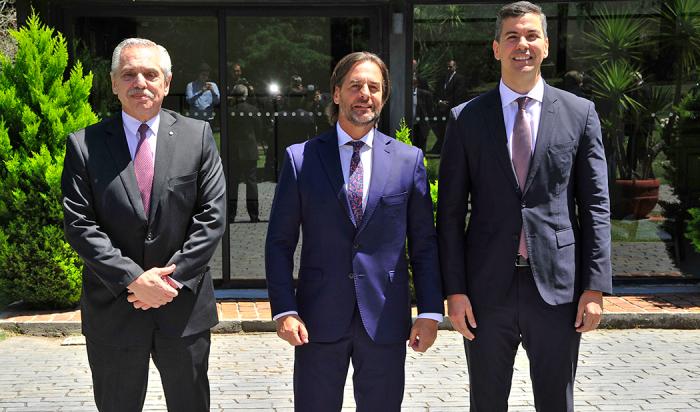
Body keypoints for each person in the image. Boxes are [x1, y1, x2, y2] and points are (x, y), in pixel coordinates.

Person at [436, 2, 612, 411]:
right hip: (485, 292)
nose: (523, 45)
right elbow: (448, 215)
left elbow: (596, 206)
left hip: (558, 291)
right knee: (486, 402)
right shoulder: (465, 119)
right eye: (512, 36)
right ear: (496, 48)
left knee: (555, 402)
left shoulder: (579, 114)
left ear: (546, 46)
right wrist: (455, 291)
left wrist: (594, 287)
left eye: (532, 35)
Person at [265, 51, 444, 411]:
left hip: (385, 319)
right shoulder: (302, 159)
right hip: (317, 319)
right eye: (355, 86)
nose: (365, 94)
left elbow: (423, 244)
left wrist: (428, 311)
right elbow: (280, 243)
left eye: (374, 87)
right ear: (336, 94)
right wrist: (284, 309)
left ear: (383, 96)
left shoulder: (409, 162)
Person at [61, 38, 226, 412]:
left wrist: (169, 281)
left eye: (151, 74)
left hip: (182, 307)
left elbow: (212, 216)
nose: (141, 82)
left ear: (167, 83)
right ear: (114, 83)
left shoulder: (197, 137)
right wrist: (133, 280)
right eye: (129, 74)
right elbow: (79, 223)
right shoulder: (84, 145)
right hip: (115, 310)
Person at [228, 83, 262, 223]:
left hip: (235, 149)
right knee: (251, 182)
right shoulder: (253, 109)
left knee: (233, 183)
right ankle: (253, 215)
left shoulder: (230, 111)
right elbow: (259, 128)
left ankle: (231, 214)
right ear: (246, 95)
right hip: (249, 149)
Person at [430, 59, 466, 154]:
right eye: (447, 66)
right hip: (441, 109)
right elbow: (436, 92)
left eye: (450, 67)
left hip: (451, 109)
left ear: (455, 67)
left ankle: (445, 149)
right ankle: (441, 148)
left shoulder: (459, 79)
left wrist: (448, 104)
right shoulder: (443, 79)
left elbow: (459, 94)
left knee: (450, 130)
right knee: (440, 129)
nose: (448, 68)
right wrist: (439, 102)